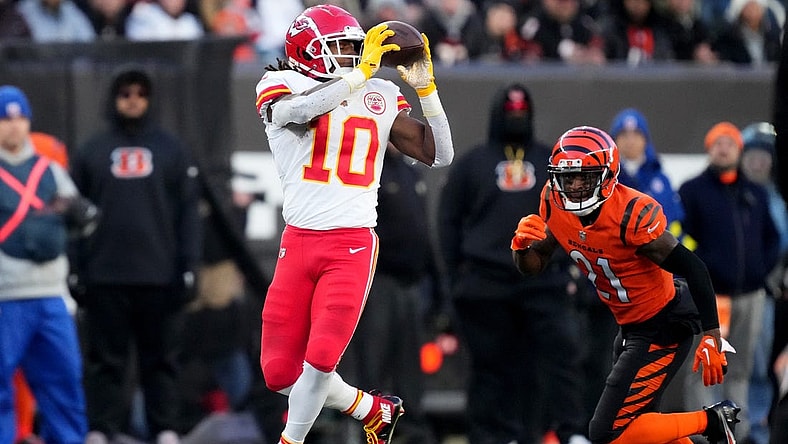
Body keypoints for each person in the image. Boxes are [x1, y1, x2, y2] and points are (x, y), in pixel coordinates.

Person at [253, 4, 454, 444]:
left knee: (321, 360)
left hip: (351, 242)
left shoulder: (376, 91)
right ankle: (371, 409)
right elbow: (300, 111)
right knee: (278, 372)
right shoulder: (281, 82)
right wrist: (357, 76)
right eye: (340, 48)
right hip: (298, 240)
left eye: (354, 50)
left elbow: (439, 154)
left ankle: (290, 441)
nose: (350, 57)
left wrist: (428, 92)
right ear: (307, 49)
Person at [511, 125, 741, 444]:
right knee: (644, 427)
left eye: (586, 177)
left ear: (607, 176)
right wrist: (521, 248)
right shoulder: (553, 202)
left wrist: (711, 336)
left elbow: (693, 267)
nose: (575, 186)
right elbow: (534, 266)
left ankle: (713, 420)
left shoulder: (628, 213)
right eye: (568, 177)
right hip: (631, 325)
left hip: (663, 323)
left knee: (607, 431)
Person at [437, 83, 589, 444]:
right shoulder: (473, 164)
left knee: (559, 360)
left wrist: (573, 270)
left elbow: (577, 215)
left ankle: (569, 433)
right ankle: (492, 437)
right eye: (510, 111)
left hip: (544, 281)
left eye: (523, 111)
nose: (517, 117)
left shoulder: (551, 160)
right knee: (491, 369)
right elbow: (449, 223)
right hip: (486, 285)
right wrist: (455, 279)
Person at [70, 67, 202, 444]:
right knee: (104, 363)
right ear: (114, 98)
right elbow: (73, 216)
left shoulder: (171, 150)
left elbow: (188, 215)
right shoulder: (91, 150)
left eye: (141, 93)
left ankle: (164, 430)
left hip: (158, 275)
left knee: (160, 361)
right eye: (125, 92)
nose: (133, 99)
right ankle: (101, 429)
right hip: (104, 275)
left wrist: (189, 265)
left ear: (150, 99)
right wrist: (76, 266)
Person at [0, 85, 96, 444]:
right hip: (5, 296)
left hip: (49, 294)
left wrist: (78, 214)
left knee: (64, 384)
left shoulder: (49, 171)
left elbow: (86, 220)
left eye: (19, 117)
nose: (13, 126)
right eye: (5, 119)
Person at [679, 122, 780, 443]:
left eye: (729, 143)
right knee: (704, 369)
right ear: (709, 149)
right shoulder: (692, 190)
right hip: (709, 297)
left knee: (742, 369)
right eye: (717, 143)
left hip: (749, 296)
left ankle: (738, 431)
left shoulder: (755, 193)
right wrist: (702, 268)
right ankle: (701, 432)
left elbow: (773, 239)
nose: (723, 148)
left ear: (739, 149)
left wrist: (759, 270)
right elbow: (679, 238)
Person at [739, 121, 787, 444]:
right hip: (724, 295)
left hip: (766, 295)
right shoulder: (729, 195)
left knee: (758, 366)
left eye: (764, 156)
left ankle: (756, 428)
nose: (758, 162)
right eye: (752, 155)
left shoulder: (779, 201)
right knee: (722, 365)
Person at [608, 108, 684, 228]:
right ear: (614, 140)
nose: (630, 141)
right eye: (624, 135)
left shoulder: (661, 179)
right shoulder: (607, 178)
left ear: (645, 139)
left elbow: (674, 220)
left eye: (636, 134)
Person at [16, 0, 96, 42]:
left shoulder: (69, 9)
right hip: (35, 69)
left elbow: (89, 42)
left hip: (68, 69)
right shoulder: (24, 11)